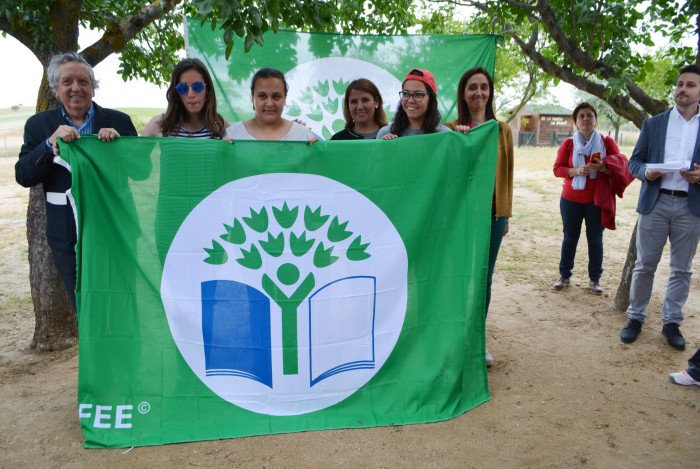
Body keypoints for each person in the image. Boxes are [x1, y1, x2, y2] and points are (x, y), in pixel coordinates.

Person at [15, 51, 138, 313]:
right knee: (85, 309)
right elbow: (24, 175)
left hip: (116, 232)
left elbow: (142, 171)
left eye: (83, 81)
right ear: (56, 89)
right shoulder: (39, 125)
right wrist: (49, 145)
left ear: (93, 87)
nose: (76, 88)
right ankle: (96, 354)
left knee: (123, 305)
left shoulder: (119, 121)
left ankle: (125, 353)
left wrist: (120, 149)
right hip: (67, 238)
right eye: (67, 82)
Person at [620, 64, 700, 350]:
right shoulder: (655, 124)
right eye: (680, 84)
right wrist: (646, 173)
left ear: (699, 91)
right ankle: (635, 318)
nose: (683, 89)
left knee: (682, 269)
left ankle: (672, 323)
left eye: (690, 85)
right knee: (644, 266)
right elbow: (634, 162)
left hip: (691, 207)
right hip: (656, 202)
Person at [445, 67, 514, 367]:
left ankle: (477, 339)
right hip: (460, 217)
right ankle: (452, 338)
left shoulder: (503, 131)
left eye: (483, 87)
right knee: (459, 277)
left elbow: (508, 174)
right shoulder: (449, 129)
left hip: (492, 217)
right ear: (463, 93)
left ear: (490, 92)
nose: (478, 93)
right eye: (472, 87)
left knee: (483, 278)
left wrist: (506, 214)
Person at [552, 102, 624, 295]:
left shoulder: (606, 142)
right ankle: (564, 276)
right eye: (581, 116)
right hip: (571, 200)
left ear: (595, 120)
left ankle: (595, 280)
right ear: (576, 122)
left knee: (595, 240)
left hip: (596, 200)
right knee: (569, 238)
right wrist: (575, 171)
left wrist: (603, 168)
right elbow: (557, 169)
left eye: (589, 115)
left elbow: (620, 167)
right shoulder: (568, 144)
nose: (585, 119)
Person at [142, 58, 227, 138]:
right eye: (182, 88)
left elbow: (238, 147)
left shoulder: (219, 124)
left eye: (197, 86)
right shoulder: (160, 124)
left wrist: (228, 148)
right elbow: (135, 153)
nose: (190, 94)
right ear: (176, 93)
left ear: (207, 90)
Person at [225, 68, 315, 141]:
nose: (269, 103)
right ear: (252, 98)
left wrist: (318, 152)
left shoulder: (303, 135)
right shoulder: (233, 134)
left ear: (285, 99)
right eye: (262, 96)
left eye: (276, 96)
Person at [376, 68, 451, 139]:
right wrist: (385, 147)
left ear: (431, 99)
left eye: (418, 94)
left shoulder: (444, 135)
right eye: (406, 94)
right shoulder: (385, 133)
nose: (410, 100)